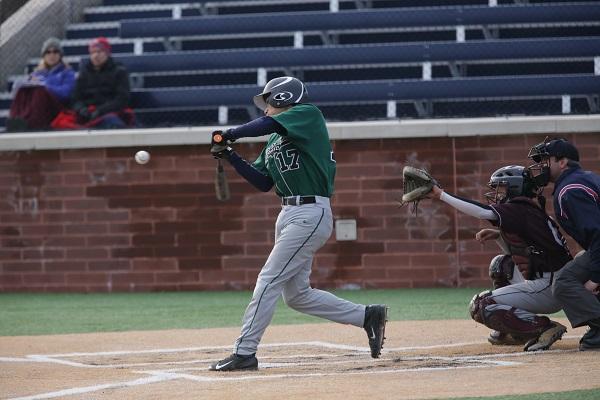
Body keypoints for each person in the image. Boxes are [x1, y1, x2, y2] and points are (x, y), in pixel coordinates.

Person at [207, 76, 388, 371]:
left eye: (268, 103)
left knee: (268, 281)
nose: (264, 110)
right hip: (288, 213)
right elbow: (263, 182)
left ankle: (244, 352)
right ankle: (367, 316)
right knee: (297, 296)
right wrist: (230, 155)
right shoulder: (276, 139)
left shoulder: (307, 114)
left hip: (310, 211)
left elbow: (268, 124)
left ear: (282, 98)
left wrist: (229, 133)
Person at [429, 165, 572, 351]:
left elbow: (482, 212)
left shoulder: (520, 209)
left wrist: (441, 195)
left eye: (501, 188)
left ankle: (543, 327)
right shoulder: (526, 210)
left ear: (515, 188)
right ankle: (512, 330)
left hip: (551, 287)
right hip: (550, 279)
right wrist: (499, 235)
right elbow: (524, 250)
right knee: (500, 265)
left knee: (482, 305)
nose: (497, 193)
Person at [527, 138, 600, 351]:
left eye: (546, 160)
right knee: (581, 266)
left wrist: (595, 279)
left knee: (565, 281)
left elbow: (598, 234)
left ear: (562, 162)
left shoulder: (570, 190)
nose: (541, 166)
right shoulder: (584, 178)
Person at [53, 37, 133, 130]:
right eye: (92, 52)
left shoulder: (119, 72)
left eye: (99, 52)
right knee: (61, 123)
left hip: (108, 112)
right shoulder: (84, 73)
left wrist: (100, 111)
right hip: (87, 114)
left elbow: (122, 99)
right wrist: (82, 110)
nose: (95, 55)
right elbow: (75, 98)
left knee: (112, 123)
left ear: (107, 53)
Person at [6, 37, 75, 131]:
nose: (52, 55)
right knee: (23, 89)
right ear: (44, 55)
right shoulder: (37, 73)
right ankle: (15, 120)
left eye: (55, 52)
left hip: (57, 107)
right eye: (48, 52)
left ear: (60, 55)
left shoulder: (67, 72)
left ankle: (33, 123)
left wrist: (46, 86)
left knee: (40, 90)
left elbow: (65, 93)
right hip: (38, 106)